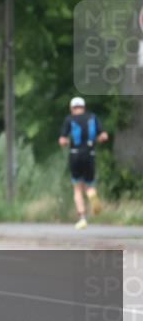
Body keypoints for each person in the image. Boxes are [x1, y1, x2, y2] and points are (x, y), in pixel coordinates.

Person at [59, 97, 109, 230]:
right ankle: (92, 194)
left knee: (77, 188)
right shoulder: (92, 117)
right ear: (84, 107)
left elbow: (62, 140)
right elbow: (102, 136)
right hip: (90, 154)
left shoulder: (69, 119)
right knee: (89, 185)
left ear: (72, 108)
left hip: (75, 154)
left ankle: (82, 218)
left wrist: (64, 143)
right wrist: (100, 138)